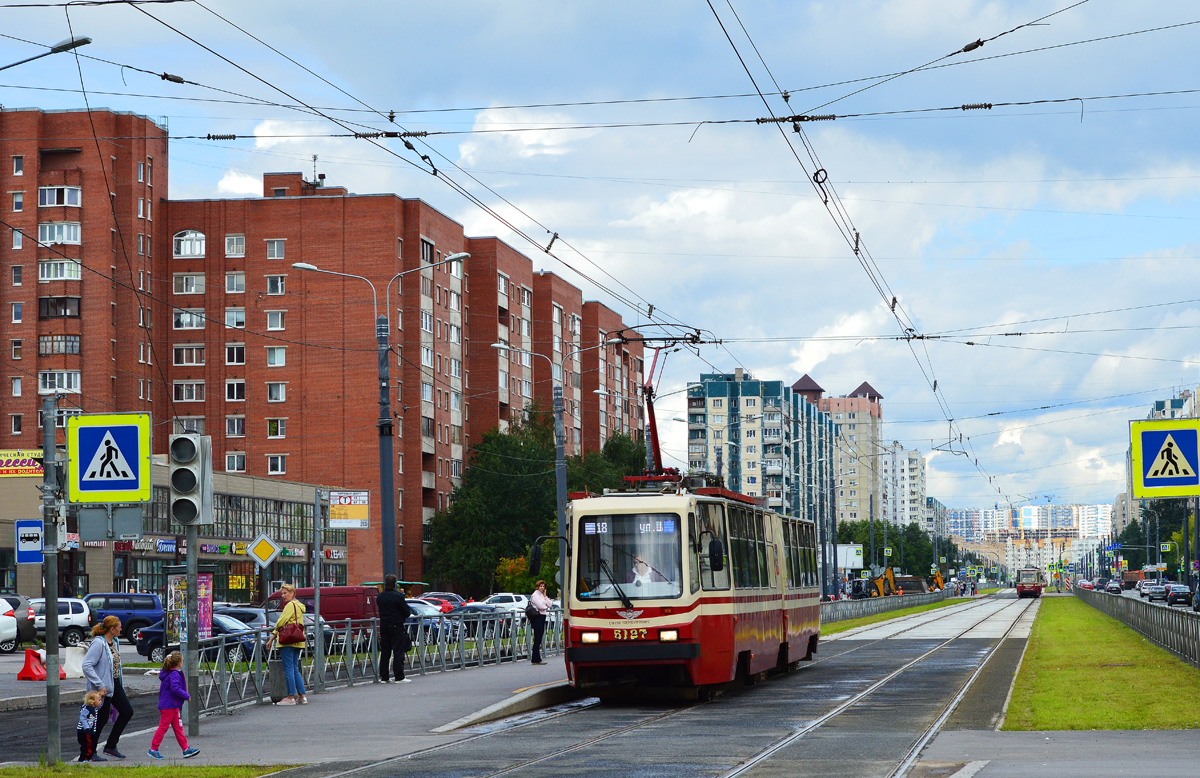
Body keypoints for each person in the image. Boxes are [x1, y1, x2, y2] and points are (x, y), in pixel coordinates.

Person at [82, 615, 133, 759]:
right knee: (102, 718)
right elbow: (87, 665)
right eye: (119, 627)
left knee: (127, 711)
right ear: (112, 629)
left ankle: (110, 745)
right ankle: (90, 752)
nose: (121, 629)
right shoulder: (99, 643)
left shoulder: (114, 642)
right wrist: (100, 684)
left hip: (114, 684)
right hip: (102, 688)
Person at [148, 651, 200, 759]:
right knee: (164, 727)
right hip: (169, 706)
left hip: (171, 705)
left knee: (178, 728)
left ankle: (186, 749)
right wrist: (186, 695)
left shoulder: (167, 673)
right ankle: (153, 749)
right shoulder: (174, 674)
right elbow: (175, 688)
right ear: (179, 663)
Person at [266, 583, 308, 705]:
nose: (283, 596)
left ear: (292, 593)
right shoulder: (300, 606)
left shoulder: (290, 605)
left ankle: (290, 697)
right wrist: (272, 637)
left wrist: (272, 637)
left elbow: (280, 623)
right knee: (294, 668)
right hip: (297, 641)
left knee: (289, 669)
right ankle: (302, 696)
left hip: (287, 641)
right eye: (282, 594)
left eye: (285, 593)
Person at [377, 574, 412, 684]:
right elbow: (407, 612)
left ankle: (384, 677)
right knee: (398, 651)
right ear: (395, 584)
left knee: (385, 651)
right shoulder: (398, 597)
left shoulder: (380, 596)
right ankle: (399, 676)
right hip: (396, 625)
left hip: (384, 625)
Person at [529, 580, 551, 665]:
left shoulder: (542, 595)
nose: (542, 588)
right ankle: (535, 659)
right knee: (537, 638)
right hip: (537, 617)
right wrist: (545, 605)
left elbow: (550, 604)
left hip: (542, 616)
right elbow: (541, 606)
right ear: (537, 586)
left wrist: (545, 597)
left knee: (539, 638)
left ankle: (537, 658)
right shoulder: (535, 595)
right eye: (541, 586)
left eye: (543, 586)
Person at [77, 690, 102, 763]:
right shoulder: (87, 708)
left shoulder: (94, 708)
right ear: (92, 701)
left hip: (89, 730)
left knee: (88, 745)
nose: (101, 702)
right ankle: (84, 759)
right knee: (86, 746)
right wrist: (86, 728)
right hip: (84, 731)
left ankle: (85, 758)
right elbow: (82, 717)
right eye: (99, 700)